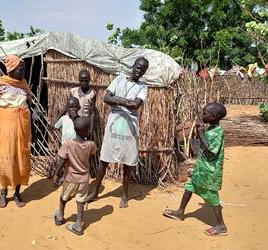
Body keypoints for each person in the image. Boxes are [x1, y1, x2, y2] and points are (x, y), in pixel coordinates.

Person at [86, 57, 149, 208]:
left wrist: (118, 100)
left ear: (144, 72)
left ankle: (125, 193)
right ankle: (95, 192)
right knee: (105, 158)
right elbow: (106, 98)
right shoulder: (119, 79)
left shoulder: (143, 87)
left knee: (127, 160)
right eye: (137, 67)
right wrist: (125, 101)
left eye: (142, 69)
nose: (139, 70)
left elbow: (136, 104)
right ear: (133, 66)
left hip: (130, 126)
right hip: (114, 124)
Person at [163, 102, 228, 236]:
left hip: (210, 171)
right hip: (202, 168)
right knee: (190, 187)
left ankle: (221, 226)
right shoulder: (210, 129)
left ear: (214, 117)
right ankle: (180, 212)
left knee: (212, 197)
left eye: (205, 113)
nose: (202, 115)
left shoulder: (218, 132)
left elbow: (212, 152)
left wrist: (201, 135)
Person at [0, 54, 34, 208]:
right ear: (11, 69)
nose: (23, 72)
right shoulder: (0, 84)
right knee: (7, 157)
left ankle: (17, 192)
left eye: (24, 69)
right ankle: (3, 191)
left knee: (21, 156)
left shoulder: (24, 84)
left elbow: (30, 105)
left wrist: (31, 126)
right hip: (6, 124)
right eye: (20, 69)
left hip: (23, 125)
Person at [53, 116, 96, 236]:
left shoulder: (68, 144)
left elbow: (62, 160)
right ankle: (78, 225)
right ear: (87, 131)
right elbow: (91, 159)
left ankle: (61, 216)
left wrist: (56, 174)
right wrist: (91, 170)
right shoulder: (91, 145)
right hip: (84, 179)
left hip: (71, 178)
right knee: (81, 200)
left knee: (63, 197)